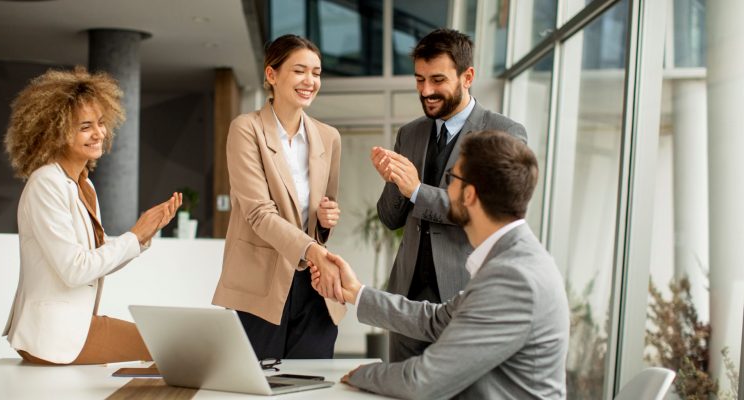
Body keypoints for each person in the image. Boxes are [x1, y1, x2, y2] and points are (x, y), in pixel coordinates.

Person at [312, 130, 569, 399]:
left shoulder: (514, 277)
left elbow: (423, 381)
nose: (446, 189)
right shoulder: (511, 260)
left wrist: (361, 374)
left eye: (451, 179)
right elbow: (437, 319)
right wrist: (356, 291)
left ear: (469, 195)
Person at [2, 66, 182, 365]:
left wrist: (142, 238)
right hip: (52, 335)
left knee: (173, 348)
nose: (99, 133)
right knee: (171, 348)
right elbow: (75, 270)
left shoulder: (84, 185)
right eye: (85, 126)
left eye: (100, 122)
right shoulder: (46, 183)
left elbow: (94, 262)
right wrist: (133, 235)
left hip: (75, 325)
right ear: (56, 132)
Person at [371, 28, 528, 362]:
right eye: (419, 79)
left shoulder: (504, 133)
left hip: (466, 296)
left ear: (467, 76)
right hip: (406, 299)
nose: (426, 91)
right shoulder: (410, 133)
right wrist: (396, 184)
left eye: (438, 80)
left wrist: (415, 189)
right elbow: (389, 218)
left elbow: (483, 213)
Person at [211, 34, 346, 360]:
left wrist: (326, 221)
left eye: (316, 73)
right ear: (271, 75)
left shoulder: (329, 138)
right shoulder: (246, 130)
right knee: (258, 384)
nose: (310, 81)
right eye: (300, 71)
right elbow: (258, 213)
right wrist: (314, 250)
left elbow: (322, 211)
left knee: (312, 383)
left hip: (313, 286)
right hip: (260, 283)